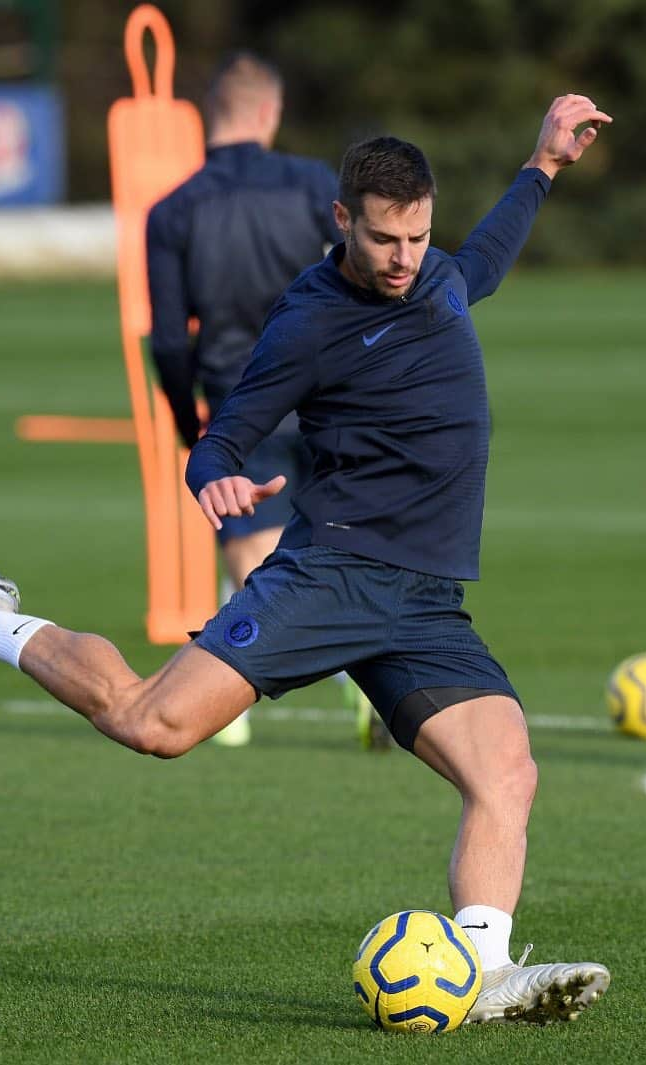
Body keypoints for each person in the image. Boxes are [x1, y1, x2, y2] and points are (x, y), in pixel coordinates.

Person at [0, 93, 613, 1025]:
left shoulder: (440, 277)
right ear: (343, 220)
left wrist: (541, 165)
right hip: (332, 574)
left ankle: (484, 970)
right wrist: (217, 481)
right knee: (152, 723)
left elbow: (484, 256)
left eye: (417, 237)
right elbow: (220, 440)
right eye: (384, 239)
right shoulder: (310, 319)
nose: (403, 259)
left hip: (423, 599)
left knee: (506, 772)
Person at [145, 51, 385, 747]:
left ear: (209, 117)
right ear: (267, 113)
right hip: (332, 391)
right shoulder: (313, 184)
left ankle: (227, 705)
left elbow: (165, 338)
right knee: (341, 544)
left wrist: (189, 422)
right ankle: (365, 678)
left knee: (255, 558)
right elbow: (362, 275)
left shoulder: (173, 210)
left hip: (235, 400)